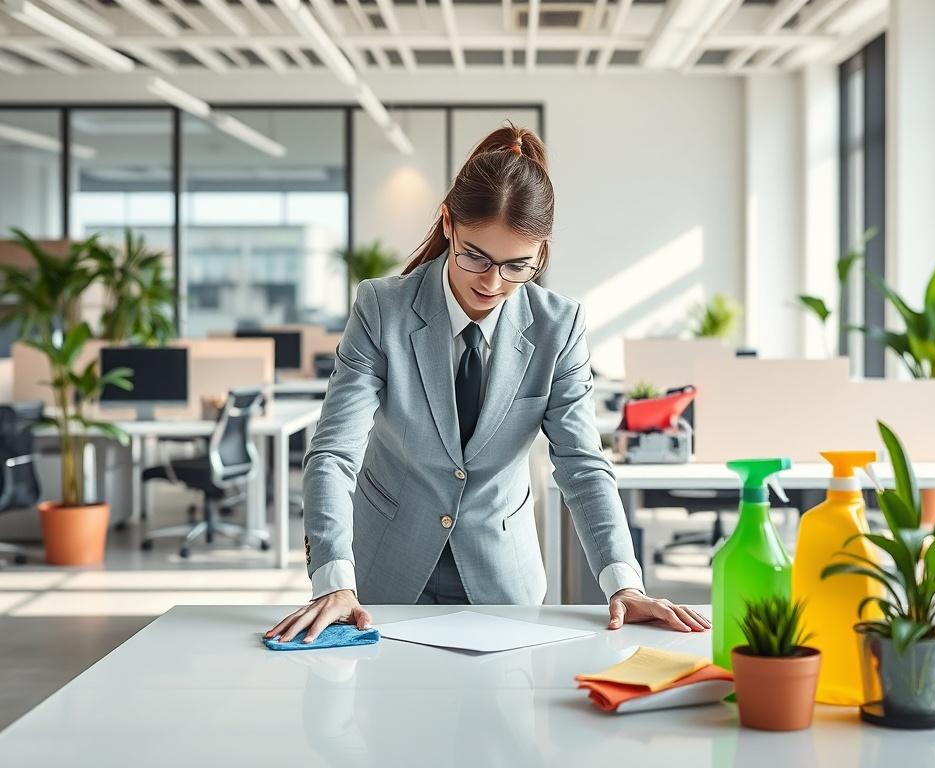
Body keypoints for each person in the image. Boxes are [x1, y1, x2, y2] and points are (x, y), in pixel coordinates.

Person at [266, 124, 711, 644]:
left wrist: (624, 584)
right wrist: (332, 578)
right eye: (475, 256)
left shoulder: (558, 325)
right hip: (383, 573)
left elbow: (582, 464)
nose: (492, 282)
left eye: (517, 265)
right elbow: (335, 452)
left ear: (541, 252)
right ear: (449, 224)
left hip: (503, 577)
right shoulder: (382, 309)